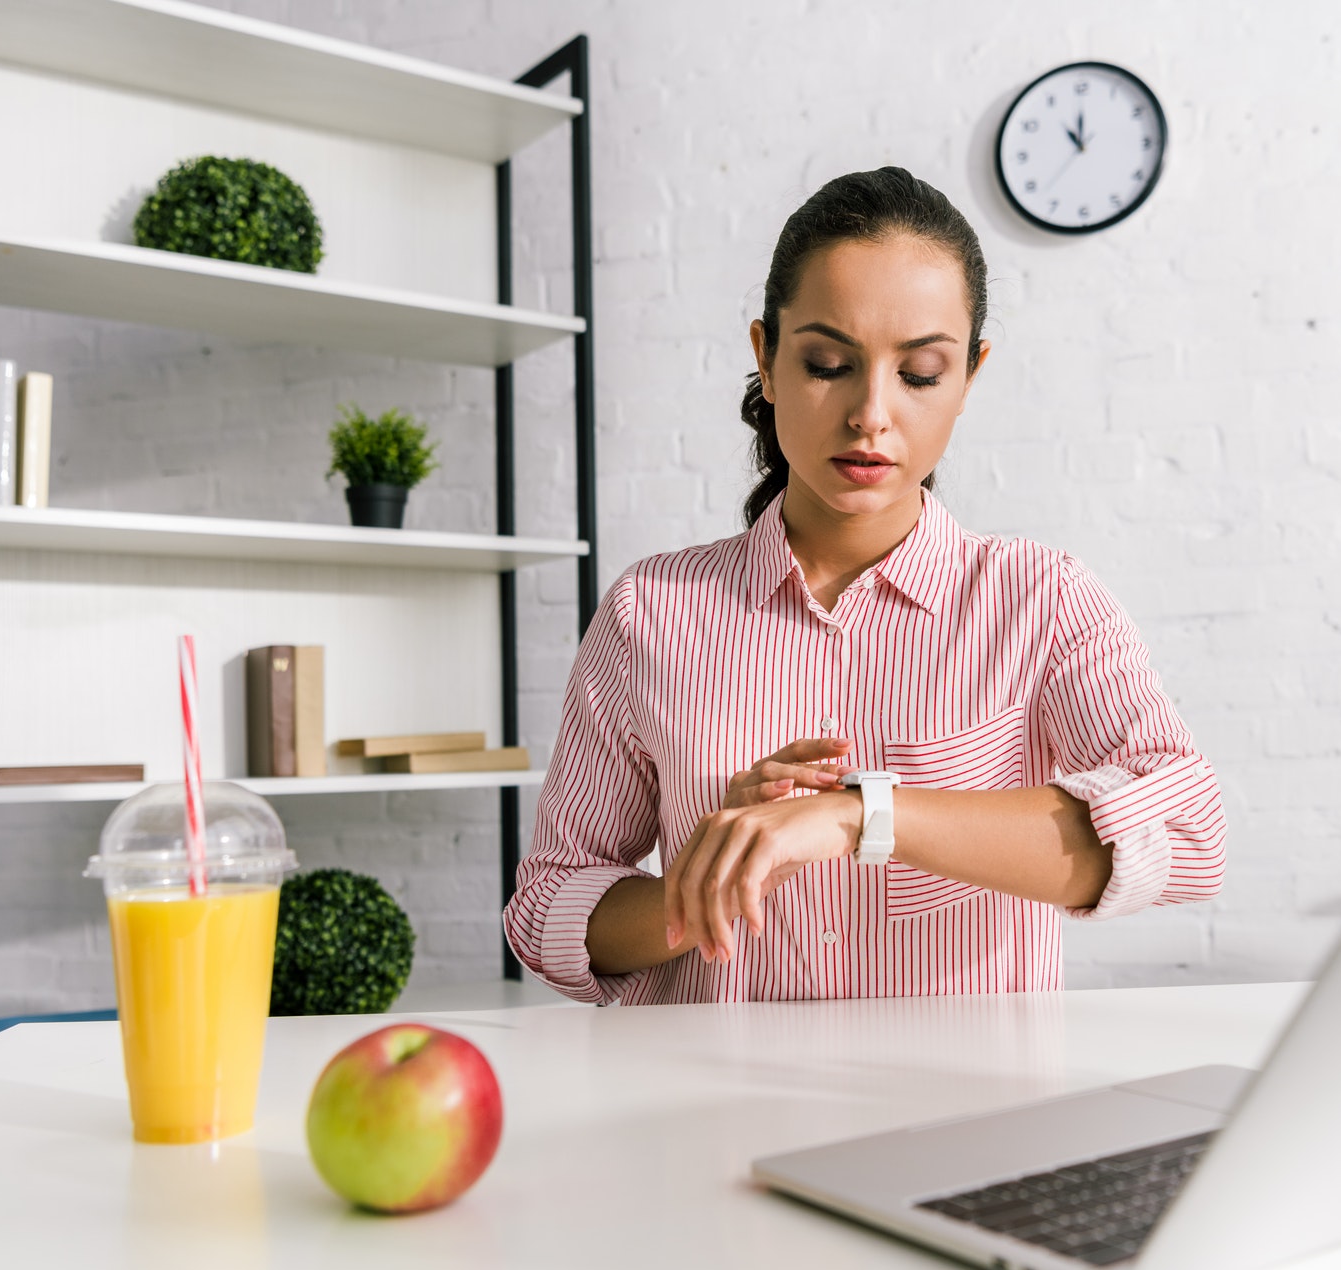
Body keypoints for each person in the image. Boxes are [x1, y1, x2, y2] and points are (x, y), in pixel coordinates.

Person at [507, 167, 1225, 1004]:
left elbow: (1187, 830)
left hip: (966, 1116)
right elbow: (545, 907)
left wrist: (858, 816)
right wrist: (709, 879)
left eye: (919, 373)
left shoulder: (1042, 601)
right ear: (765, 359)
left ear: (967, 378)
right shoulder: (652, 611)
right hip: (710, 1114)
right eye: (826, 363)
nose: (870, 413)